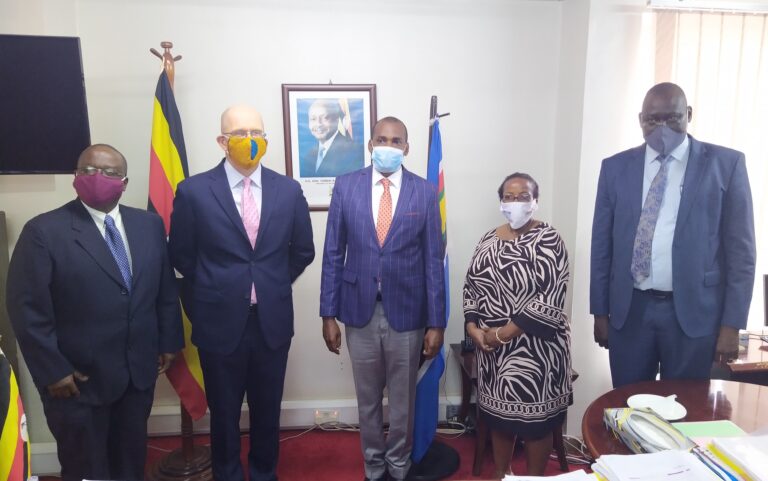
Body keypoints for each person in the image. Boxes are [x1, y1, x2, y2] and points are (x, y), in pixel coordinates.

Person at [6, 144, 183, 481]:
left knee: (130, 464)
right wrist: (52, 371)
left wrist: (169, 342)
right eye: (88, 170)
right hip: (77, 383)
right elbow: (26, 309)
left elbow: (164, 290)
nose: (97, 177)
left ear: (124, 182)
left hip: (136, 377)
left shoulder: (148, 226)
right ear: (75, 176)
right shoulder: (44, 232)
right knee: (87, 470)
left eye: (109, 172)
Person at [168, 104, 315, 481]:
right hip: (219, 323)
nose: (250, 141)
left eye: (257, 133)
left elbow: (303, 250)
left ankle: (265, 473)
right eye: (240, 134)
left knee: (268, 412)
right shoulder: (194, 191)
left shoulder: (288, 190)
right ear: (222, 141)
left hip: (272, 322)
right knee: (225, 415)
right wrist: (220, 287)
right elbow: (182, 254)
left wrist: (270, 280)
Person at [590, 82, 756, 388]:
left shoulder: (726, 165)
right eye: (653, 120)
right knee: (627, 406)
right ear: (641, 119)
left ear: (688, 114)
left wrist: (732, 325)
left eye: (672, 118)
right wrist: (600, 312)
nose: (662, 127)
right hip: (631, 312)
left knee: (685, 410)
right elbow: (602, 245)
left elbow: (742, 253)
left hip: (694, 315)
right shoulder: (615, 168)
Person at [320, 117, 445, 481]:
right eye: (381, 139)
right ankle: (374, 468)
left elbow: (433, 261)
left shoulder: (423, 192)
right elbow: (332, 253)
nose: (388, 146)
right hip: (358, 312)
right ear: (370, 145)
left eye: (396, 140)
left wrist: (436, 323)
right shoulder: (346, 187)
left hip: (407, 313)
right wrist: (328, 314)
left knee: (403, 402)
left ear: (406, 147)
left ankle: (399, 466)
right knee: (368, 400)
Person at [463, 173, 572, 477]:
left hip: (536, 355)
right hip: (492, 355)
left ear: (535, 201)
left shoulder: (549, 239)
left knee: (535, 428)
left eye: (523, 196)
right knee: (500, 421)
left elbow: (550, 297)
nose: (515, 202)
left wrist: (502, 334)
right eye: (508, 197)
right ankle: (502, 475)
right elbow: (471, 286)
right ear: (500, 202)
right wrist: (473, 327)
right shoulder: (487, 238)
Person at [300, 98, 364, 177]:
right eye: (313, 119)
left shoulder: (356, 151)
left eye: (325, 118)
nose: (318, 124)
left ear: (337, 120)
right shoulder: (309, 155)